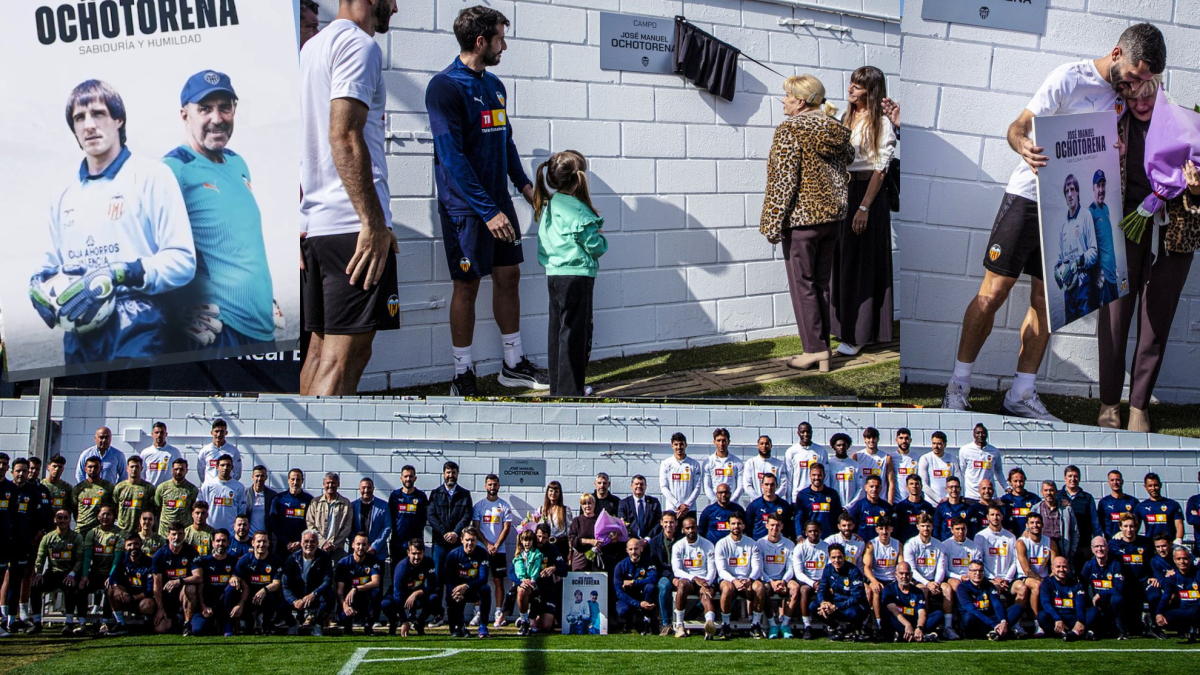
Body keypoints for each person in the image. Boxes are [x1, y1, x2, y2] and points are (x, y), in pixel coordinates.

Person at [944, 23, 1165, 421]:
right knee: (992, 294)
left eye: (1142, 81)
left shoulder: (1124, 99)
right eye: (1133, 77)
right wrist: (1023, 146)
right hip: (1029, 196)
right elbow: (1017, 127)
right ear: (1117, 54)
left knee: (1047, 303)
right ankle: (958, 385)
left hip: (1069, 211)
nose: (1135, 88)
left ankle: (1021, 393)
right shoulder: (1069, 78)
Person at [427, 5, 548, 396]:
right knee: (466, 286)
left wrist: (525, 187)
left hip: (498, 204)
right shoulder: (445, 87)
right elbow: (452, 157)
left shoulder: (495, 85)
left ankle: (513, 365)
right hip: (466, 209)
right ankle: (462, 373)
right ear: (481, 42)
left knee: (509, 276)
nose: (504, 46)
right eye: (500, 39)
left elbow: (504, 141)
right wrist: (487, 210)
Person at [29, 80, 194, 366]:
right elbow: (48, 264)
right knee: (77, 398)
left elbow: (183, 261)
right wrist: (37, 287)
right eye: (79, 118)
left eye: (98, 113)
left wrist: (120, 273)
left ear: (119, 119)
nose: (89, 125)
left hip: (139, 323)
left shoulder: (152, 176)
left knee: (129, 396)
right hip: (78, 329)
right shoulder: (62, 192)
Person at [299, 0, 401, 396]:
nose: (395, 7)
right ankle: (323, 441)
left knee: (320, 354)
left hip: (321, 227)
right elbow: (343, 135)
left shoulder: (312, 48)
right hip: (352, 230)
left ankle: (298, 441)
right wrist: (372, 222)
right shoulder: (359, 45)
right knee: (344, 361)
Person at [1098, 75, 1200, 432]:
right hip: (1122, 230)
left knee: (1156, 321)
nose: (1140, 104)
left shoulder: (1184, 125)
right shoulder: (1111, 124)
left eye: (1147, 96)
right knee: (1113, 319)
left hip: (1172, 238)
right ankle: (1109, 403)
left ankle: (1139, 406)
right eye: (1133, 96)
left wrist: (1196, 189)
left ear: (1159, 87)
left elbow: (1197, 202)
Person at [164, 69, 277, 350]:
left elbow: (241, 239)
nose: (217, 118)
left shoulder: (237, 162)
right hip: (216, 328)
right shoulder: (174, 169)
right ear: (185, 115)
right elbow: (144, 247)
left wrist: (263, 295)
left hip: (260, 324)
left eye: (224, 107)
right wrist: (175, 307)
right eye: (205, 109)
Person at [760, 74, 854, 372]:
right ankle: (822, 351)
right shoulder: (835, 128)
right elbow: (848, 161)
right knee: (821, 284)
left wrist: (772, 223)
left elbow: (782, 180)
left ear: (800, 102)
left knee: (803, 286)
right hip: (833, 220)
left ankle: (814, 350)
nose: (783, 100)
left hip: (801, 222)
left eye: (787, 96)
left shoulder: (789, 129)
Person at [831, 65, 896, 357]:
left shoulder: (881, 122)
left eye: (857, 86)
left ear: (871, 90)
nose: (850, 89)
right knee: (843, 261)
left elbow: (881, 169)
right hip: (843, 192)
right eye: (851, 83)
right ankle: (843, 327)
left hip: (867, 194)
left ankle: (859, 334)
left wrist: (864, 207)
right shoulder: (844, 118)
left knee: (863, 264)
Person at [533, 149, 607, 395]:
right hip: (577, 277)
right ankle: (571, 393)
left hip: (554, 275)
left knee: (558, 332)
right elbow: (594, 246)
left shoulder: (549, 205)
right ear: (579, 178)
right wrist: (600, 239)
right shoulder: (578, 210)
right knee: (575, 334)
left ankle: (560, 389)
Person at [428, 460, 473, 621]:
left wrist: (455, 533)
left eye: (453, 473)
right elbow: (431, 516)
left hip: (457, 544)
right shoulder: (435, 494)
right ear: (443, 474)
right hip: (440, 544)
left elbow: (467, 516)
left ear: (457, 474)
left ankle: (454, 614)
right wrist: (445, 533)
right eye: (448, 472)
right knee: (437, 579)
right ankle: (437, 614)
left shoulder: (465, 494)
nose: (451, 476)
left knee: (455, 579)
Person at [1052, 173, 1099, 324]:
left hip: (1084, 284)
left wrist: (1077, 262)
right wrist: (1057, 269)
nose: (1070, 194)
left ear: (1077, 192)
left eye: (1072, 189)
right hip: (1068, 288)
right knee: (1069, 326)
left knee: (1085, 324)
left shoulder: (1086, 215)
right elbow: (1061, 257)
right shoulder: (1063, 226)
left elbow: (1093, 252)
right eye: (1066, 191)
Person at [974, 504, 1028, 636]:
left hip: (1007, 579)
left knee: (1022, 588)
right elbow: (979, 562)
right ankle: (997, 625)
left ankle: (1016, 624)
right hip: (989, 579)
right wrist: (993, 579)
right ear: (987, 517)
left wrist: (1006, 579)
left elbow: (1015, 560)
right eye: (992, 515)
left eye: (998, 515)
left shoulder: (1010, 537)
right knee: (994, 590)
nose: (995, 517)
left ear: (1002, 516)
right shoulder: (980, 536)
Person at [30, 509, 84, 635]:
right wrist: (38, 573)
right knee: (35, 586)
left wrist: (72, 574)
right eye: (60, 518)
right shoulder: (48, 537)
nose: (62, 520)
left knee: (70, 586)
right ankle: (37, 622)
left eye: (65, 518)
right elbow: (40, 558)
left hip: (69, 573)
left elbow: (80, 559)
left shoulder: (76, 537)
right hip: (53, 573)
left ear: (70, 520)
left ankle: (69, 623)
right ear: (55, 520)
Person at [715, 513, 764, 639]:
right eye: (733, 523)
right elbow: (721, 570)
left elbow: (757, 567)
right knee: (727, 588)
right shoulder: (721, 544)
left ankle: (755, 625)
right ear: (728, 526)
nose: (736, 526)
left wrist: (749, 579)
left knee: (759, 587)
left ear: (743, 526)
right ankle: (725, 625)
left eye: (739, 523)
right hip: (729, 580)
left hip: (747, 579)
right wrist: (734, 580)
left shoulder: (752, 544)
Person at [473, 473, 512, 627]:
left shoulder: (504, 506)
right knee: (478, 581)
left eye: (495, 484)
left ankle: (498, 612)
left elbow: (506, 528)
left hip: (499, 550)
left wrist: (496, 545)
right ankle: (478, 612)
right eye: (490, 484)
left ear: (499, 486)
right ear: (485, 486)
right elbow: (476, 528)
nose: (492, 487)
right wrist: (488, 545)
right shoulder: (479, 506)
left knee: (498, 581)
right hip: (482, 549)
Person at [669, 514, 718, 639]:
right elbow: (677, 570)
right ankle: (679, 625)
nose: (691, 530)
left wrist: (706, 583)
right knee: (682, 584)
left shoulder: (708, 545)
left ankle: (709, 625)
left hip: (705, 581)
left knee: (706, 595)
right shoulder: (678, 546)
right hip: (689, 581)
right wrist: (694, 579)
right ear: (683, 530)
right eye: (687, 528)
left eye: (693, 527)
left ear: (697, 528)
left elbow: (712, 569)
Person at [150, 521, 203, 635]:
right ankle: (176, 620)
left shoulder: (191, 552)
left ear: (184, 535)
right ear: (168, 535)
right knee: (161, 629)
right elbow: (157, 585)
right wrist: (160, 608)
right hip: (167, 595)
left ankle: (187, 624)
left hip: (183, 593)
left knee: (191, 588)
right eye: (173, 534)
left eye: (180, 534)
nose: (176, 537)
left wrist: (179, 581)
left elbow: (199, 577)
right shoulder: (160, 555)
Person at [191, 529, 246, 636]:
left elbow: (245, 587)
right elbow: (200, 585)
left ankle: (227, 623)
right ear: (213, 543)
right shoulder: (204, 562)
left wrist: (241, 604)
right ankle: (215, 624)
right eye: (218, 541)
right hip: (208, 604)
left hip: (226, 606)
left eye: (224, 541)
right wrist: (203, 606)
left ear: (228, 543)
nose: (221, 543)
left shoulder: (235, 562)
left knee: (232, 585)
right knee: (198, 630)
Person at [282, 530, 335, 636]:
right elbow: (285, 585)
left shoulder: (325, 557)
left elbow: (328, 581)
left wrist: (314, 594)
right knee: (279, 600)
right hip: (298, 593)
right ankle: (292, 623)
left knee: (330, 596)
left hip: (314, 594)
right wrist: (294, 601)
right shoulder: (292, 559)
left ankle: (318, 625)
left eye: (312, 541)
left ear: (317, 543)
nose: (309, 545)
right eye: (306, 541)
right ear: (301, 543)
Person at [235, 531, 289, 635]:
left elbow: (277, 583)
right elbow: (236, 575)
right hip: (249, 594)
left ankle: (267, 623)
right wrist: (235, 579)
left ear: (269, 543)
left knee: (276, 601)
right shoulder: (245, 559)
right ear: (253, 543)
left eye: (264, 541)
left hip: (267, 594)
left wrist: (264, 590)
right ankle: (246, 623)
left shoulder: (275, 560)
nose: (261, 544)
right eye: (259, 541)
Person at [383, 538, 439, 636]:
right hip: (401, 596)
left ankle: (419, 623)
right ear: (408, 553)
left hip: (416, 596)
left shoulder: (428, 562)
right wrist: (404, 621)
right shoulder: (401, 567)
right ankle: (395, 621)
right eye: (414, 553)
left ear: (423, 552)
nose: (417, 557)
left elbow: (433, 586)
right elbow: (397, 594)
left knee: (434, 598)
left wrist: (417, 593)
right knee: (385, 604)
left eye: (419, 553)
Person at [903, 513, 948, 633]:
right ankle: (923, 625)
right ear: (917, 526)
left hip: (935, 580)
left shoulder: (939, 545)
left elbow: (941, 568)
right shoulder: (910, 544)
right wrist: (928, 583)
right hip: (917, 581)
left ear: (932, 527)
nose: (926, 528)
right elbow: (911, 570)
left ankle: (948, 627)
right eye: (923, 526)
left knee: (947, 589)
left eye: (928, 526)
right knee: (923, 590)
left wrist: (936, 583)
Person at [956, 560, 1023, 641]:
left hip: (990, 618)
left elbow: (997, 605)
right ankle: (1000, 632)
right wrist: (993, 624)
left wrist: (1003, 621)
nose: (978, 573)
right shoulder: (962, 588)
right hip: (976, 621)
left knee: (1017, 608)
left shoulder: (989, 585)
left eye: (980, 571)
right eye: (974, 571)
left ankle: (997, 631)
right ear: (968, 572)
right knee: (969, 617)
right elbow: (972, 610)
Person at [444, 527, 492, 638]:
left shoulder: (482, 553)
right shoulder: (453, 555)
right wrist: (455, 592)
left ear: (477, 541)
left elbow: (483, 578)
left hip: (472, 589)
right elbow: (448, 579)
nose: (470, 543)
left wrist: (466, 586)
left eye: (472, 540)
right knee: (452, 593)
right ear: (461, 540)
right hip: (457, 590)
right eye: (467, 540)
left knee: (486, 589)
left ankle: (483, 625)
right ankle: (458, 626)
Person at [815, 543, 870, 641]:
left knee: (853, 613)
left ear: (844, 556)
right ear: (829, 558)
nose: (837, 560)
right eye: (833, 557)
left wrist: (836, 607)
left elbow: (857, 596)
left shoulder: (854, 570)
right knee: (813, 606)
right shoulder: (828, 569)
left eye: (839, 557)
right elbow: (821, 589)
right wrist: (823, 602)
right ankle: (836, 627)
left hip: (852, 605)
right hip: (835, 604)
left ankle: (856, 629)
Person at [756, 513, 798, 639]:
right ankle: (772, 625)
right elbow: (759, 568)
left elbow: (791, 567)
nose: (775, 528)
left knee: (795, 587)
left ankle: (785, 625)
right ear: (767, 525)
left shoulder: (789, 544)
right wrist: (771, 582)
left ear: (782, 526)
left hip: (784, 579)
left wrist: (783, 581)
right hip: (767, 580)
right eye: (772, 525)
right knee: (764, 589)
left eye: (778, 525)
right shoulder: (760, 543)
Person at [1016, 512, 1058, 636]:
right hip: (1025, 577)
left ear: (1042, 524)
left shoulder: (1050, 542)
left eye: (1038, 522)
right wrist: (1043, 581)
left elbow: (1054, 566)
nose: (1035, 525)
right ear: (1027, 525)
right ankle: (1037, 623)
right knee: (1037, 585)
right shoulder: (1022, 542)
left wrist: (1050, 577)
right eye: (1032, 523)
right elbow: (1026, 570)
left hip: (1045, 577)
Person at [106, 532, 156, 636]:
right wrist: (117, 588)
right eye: (129, 545)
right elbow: (112, 577)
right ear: (125, 546)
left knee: (148, 604)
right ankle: (121, 624)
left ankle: (147, 624)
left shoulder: (149, 562)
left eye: (136, 544)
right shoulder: (123, 559)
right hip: (127, 597)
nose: (133, 547)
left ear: (141, 544)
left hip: (141, 598)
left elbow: (150, 590)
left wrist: (134, 598)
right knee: (111, 589)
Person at [940, 516, 981, 640]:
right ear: (951, 530)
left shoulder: (974, 546)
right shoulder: (945, 545)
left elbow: (978, 566)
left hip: (972, 578)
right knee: (958, 586)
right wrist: (960, 577)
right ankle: (950, 626)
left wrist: (971, 576)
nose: (960, 532)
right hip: (953, 577)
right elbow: (945, 570)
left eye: (963, 529)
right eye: (957, 529)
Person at [1080, 536, 1129, 639]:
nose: (1100, 549)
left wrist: (1101, 594)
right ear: (1092, 549)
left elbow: (1119, 588)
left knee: (1117, 598)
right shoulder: (1089, 565)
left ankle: (1121, 629)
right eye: (1096, 546)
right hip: (1096, 605)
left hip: (1111, 605)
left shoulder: (1115, 565)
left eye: (1102, 546)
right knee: (1091, 614)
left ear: (1107, 547)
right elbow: (1082, 586)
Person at [335, 532, 383, 635]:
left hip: (365, 599)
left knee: (376, 592)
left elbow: (376, 582)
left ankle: (368, 625)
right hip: (349, 600)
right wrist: (345, 606)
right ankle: (347, 626)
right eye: (358, 544)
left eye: (364, 544)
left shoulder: (373, 560)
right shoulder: (344, 563)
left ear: (368, 546)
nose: (360, 547)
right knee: (343, 617)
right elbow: (339, 591)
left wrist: (356, 589)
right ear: (353, 545)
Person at [883, 562, 942, 642]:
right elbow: (893, 609)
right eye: (901, 573)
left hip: (914, 620)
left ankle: (906, 636)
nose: (904, 576)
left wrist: (919, 627)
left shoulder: (917, 591)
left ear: (911, 575)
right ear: (896, 574)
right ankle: (923, 637)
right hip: (900, 621)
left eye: (907, 574)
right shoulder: (889, 589)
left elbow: (922, 612)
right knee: (888, 616)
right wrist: (907, 625)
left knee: (938, 614)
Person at [1151, 545, 1200, 641]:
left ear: (1190, 559)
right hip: (1183, 610)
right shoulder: (1172, 577)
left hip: (1197, 609)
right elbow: (1165, 597)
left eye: (1185, 558)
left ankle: (1193, 627)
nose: (1182, 562)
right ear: (1174, 560)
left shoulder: (1198, 575)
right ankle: (1185, 628)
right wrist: (1158, 613)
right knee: (1165, 618)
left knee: (1195, 612)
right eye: (1179, 559)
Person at [862, 516, 901, 637]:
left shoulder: (897, 544)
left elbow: (901, 565)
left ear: (892, 529)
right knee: (876, 590)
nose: (884, 532)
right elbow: (866, 567)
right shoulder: (871, 544)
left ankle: (899, 625)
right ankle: (878, 625)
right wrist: (874, 581)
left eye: (887, 528)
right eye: (881, 528)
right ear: (877, 530)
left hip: (893, 579)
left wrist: (901, 580)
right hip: (877, 577)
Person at [791, 519, 829, 639]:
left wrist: (822, 583)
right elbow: (798, 573)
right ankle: (807, 625)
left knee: (831, 589)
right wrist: (813, 583)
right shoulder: (800, 548)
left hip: (823, 581)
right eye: (810, 531)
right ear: (806, 532)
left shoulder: (826, 547)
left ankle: (830, 625)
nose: (813, 534)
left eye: (816, 531)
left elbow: (829, 569)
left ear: (820, 531)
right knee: (804, 590)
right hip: (807, 581)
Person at [612, 538, 658, 635]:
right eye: (631, 549)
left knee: (650, 587)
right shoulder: (620, 566)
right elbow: (619, 592)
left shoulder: (648, 562)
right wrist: (638, 604)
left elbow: (653, 578)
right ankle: (628, 624)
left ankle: (647, 620)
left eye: (636, 549)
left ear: (641, 549)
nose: (633, 552)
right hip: (628, 598)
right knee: (622, 611)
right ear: (627, 550)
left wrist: (634, 582)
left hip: (643, 596)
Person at [1088, 169, 1120, 307]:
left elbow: (1107, 240)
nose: (1101, 190)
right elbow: (1089, 247)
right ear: (1093, 188)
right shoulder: (1090, 212)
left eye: (1103, 185)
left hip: (1113, 275)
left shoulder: (1106, 208)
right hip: (1104, 279)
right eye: (1098, 186)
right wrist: (1096, 273)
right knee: (1108, 315)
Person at [647, 511, 681, 636]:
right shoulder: (655, 542)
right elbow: (657, 565)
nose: (668, 525)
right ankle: (666, 624)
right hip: (664, 574)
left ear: (676, 523)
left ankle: (687, 619)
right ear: (661, 523)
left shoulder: (682, 540)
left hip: (682, 574)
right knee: (664, 586)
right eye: (666, 522)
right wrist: (672, 578)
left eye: (671, 522)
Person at [568, 493, 622, 572]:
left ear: (594, 504)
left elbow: (608, 535)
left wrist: (612, 537)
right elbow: (572, 539)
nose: (587, 506)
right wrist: (590, 541)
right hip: (581, 557)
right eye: (584, 504)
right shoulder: (577, 521)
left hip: (600, 556)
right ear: (581, 506)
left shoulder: (601, 520)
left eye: (590, 503)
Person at [1062, 465, 1100, 570]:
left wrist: (1097, 539)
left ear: (1079, 478)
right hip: (1063, 544)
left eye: (1076, 476)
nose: (1073, 479)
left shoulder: (1087, 498)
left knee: (1083, 573)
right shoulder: (1058, 496)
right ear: (1065, 478)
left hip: (1083, 544)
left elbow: (1095, 521)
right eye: (1070, 476)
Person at [388, 465, 428, 563]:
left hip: (415, 543)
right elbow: (390, 516)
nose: (408, 479)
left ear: (415, 478)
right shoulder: (395, 496)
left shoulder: (421, 496)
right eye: (405, 476)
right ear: (401, 478)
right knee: (397, 569)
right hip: (398, 542)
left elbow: (424, 518)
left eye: (411, 476)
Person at [306, 472, 353, 555]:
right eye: (328, 483)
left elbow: (347, 527)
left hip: (337, 549)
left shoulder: (345, 503)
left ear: (338, 484)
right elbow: (310, 524)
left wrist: (333, 544)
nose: (330, 485)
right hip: (317, 547)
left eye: (333, 483)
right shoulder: (315, 502)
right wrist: (323, 543)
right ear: (323, 484)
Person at [198, 454, 247, 533]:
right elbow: (200, 507)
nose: (225, 468)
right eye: (222, 465)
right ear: (217, 467)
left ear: (232, 467)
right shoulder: (207, 485)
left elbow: (241, 511)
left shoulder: (239, 487)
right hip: (210, 531)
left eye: (228, 465)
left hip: (231, 532)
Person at [272, 468, 315, 556]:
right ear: (288, 480)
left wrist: (300, 542)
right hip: (282, 546)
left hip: (302, 546)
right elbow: (273, 522)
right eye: (292, 479)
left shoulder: (309, 500)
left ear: (302, 481)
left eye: (298, 480)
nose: (295, 483)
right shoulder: (279, 498)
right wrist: (286, 542)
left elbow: (312, 523)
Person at [795, 462, 842, 539]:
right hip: (810, 538)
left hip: (829, 538)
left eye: (819, 475)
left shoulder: (833, 494)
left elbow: (839, 517)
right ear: (810, 475)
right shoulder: (802, 495)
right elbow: (799, 518)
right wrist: (799, 535)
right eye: (814, 475)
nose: (816, 477)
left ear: (824, 476)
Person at [659, 433, 701, 519]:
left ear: (686, 445)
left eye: (681, 444)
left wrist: (686, 505)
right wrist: (678, 504)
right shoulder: (666, 463)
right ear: (672, 446)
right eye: (676, 444)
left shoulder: (694, 464)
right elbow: (664, 487)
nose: (679, 447)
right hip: (672, 509)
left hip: (689, 509)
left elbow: (697, 487)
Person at [957, 425, 1006, 501]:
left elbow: (998, 471)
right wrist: (961, 494)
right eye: (978, 433)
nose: (980, 435)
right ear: (973, 434)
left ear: (987, 434)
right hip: (971, 496)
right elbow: (962, 473)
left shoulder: (995, 451)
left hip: (989, 495)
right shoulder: (965, 450)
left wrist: (1006, 487)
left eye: (983, 433)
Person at [1036, 480, 1079, 564]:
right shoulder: (1036, 508)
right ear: (1041, 492)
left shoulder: (1066, 509)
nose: (1049, 493)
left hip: (1062, 549)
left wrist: (1072, 551)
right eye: (1046, 490)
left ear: (1056, 491)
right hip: (1043, 548)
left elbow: (1075, 532)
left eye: (1051, 490)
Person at [510, 529, 543, 635]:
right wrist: (521, 580)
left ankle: (529, 619)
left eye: (529, 540)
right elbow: (514, 572)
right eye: (525, 540)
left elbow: (536, 569)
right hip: (521, 582)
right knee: (521, 591)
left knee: (526, 592)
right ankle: (524, 620)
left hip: (533, 583)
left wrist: (532, 580)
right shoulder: (518, 555)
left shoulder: (536, 554)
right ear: (521, 541)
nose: (527, 543)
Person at [783, 422, 827, 501]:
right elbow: (789, 479)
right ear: (798, 433)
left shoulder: (821, 451)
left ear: (812, 433)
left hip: (818, 496)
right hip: (798, 497)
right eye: (803, 432)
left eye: (808, 432)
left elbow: (826, 476)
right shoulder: (791, 452)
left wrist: (825, 496)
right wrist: (789, 500)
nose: (806, 434)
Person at [1136, 472, 1184, 545]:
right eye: (1150, 486)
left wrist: (1178, 540)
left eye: (1156, 485)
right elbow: (1134, 527)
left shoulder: (1173, 504)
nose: (1153, 488)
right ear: (1145, 487)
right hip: (1150, 545)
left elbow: (1179, 525)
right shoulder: (1140, 506)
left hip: (1169, 545)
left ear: (1160, 485)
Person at [72, 456, 114, 537]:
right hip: (81, 530)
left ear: (101, 468)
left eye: (96, 467)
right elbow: (74, 510)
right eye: (90, 467)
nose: (93, 469)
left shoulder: (108, 487)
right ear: (85, 469)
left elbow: (114, 509)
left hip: (101, 531)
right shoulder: (78, 488)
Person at [154, 458, 197, 536]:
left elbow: (193, 510)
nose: (178, 472)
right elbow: (157, 508)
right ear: (171, 470)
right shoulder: (162, 487)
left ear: (186, 471)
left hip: (184, 533)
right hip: (165, 533)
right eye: (176, 469)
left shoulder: (192, 489)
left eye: (181, 469)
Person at [351, 477, 390, 559]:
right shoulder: (352, 506)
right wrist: (357, 544)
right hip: (357, 553)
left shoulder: (384, 506)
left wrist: (375, 546)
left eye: (369, 487)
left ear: (373, 489)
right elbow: (349, 528)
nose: (366, 490)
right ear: (359, 489)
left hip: (377, 552)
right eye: (363, 488)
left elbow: (387, 527)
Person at [852, 427, 894, 503]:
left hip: (881, 501)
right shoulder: (857, 456)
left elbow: (891, 483)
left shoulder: (886, 457)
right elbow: (853, 482)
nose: (871, 440)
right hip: (862, 501)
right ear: (864, 439)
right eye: (868, 438)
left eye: (874, 438)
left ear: (878, 439)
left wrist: (890, 502)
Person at [747, 474, 793, 540]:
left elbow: (789, 527)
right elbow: (748, 528)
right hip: (758, 543)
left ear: (776, 485)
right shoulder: (753, 506)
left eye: (772, 484)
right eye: (766, 484)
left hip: (779, 543)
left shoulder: (784, 506)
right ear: (762, 485)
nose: (769, 487)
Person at [196, 419, 242, 485]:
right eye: (216, 431)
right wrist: (208, 484)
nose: (219, 434)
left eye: (222, 431)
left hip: (227, 487)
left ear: (226, 433)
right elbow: (200, 470)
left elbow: (237, 472)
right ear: (212, 432)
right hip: (210, 487)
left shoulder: (233, 451)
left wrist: (229, 484)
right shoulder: (205, 450)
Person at [702, 428, 742, 504]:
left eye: (724, 440)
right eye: (718, 440)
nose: (721, 443)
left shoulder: (737, 462)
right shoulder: (708, 462)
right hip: (715, 504)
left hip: (732, 504)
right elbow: (706, 486)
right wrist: (716, 502)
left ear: (728, 442)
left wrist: (731, 501)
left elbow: (740, 486)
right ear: (714, 442)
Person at [916, 431, 956, 505]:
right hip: (931, 503)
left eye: (939, 444)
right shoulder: (925, 458)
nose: (936, 446)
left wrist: (948, 497)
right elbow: (923, 484)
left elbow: (958, 480)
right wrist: (939, 500)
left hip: (949, 502)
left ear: (945, 444)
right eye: (934, 443)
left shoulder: (952, 459)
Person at [618, 475, 662, 541]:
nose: (639, 486)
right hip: (631, 542)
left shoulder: (654, 502)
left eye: (641, 484)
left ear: (645, 486)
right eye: (636, 484)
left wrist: (647, 539)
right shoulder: (624, 503)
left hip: (650, 541)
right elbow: (622, 523)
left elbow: (658, 522)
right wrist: (633, 540)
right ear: (631, 486)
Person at [743, 435, 785, 504]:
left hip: (775, 504)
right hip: (756, 503)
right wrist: (760, 500)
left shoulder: (779, 464)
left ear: (771, 446)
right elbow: (747, 485)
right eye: (762, 444)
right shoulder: (750, 463)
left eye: (767, 444)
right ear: (758, 445)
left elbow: (784, 485)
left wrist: (773, 498)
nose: (764, 446)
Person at [893, 474, 935, 543]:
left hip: (924, 544)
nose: (914, 486)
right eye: (911, 484)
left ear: (921, 486)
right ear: (907, 487)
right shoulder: (900, 507)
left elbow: (933, 528)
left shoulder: (928, 507)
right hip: (905, 543)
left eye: (917, 484)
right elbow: (895, 529)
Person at [140, 422, 182, 487]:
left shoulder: (174, 452)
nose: (159, 435)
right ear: (152, 434)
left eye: (162, 432)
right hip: (150, 490)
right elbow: (141, 473)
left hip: (168, 490)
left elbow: (179, 472)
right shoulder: (145, 452)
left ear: (166, 434)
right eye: (156, 432)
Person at [537, 480, 572, 557]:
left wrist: (570, 550)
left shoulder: (565, 510)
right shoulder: (541, 509)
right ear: (547, 492)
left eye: (556, 491)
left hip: (561, 545)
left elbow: (569, 531)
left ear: (559, 493)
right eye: (551, 491)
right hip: (545, 544)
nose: (553, 493)